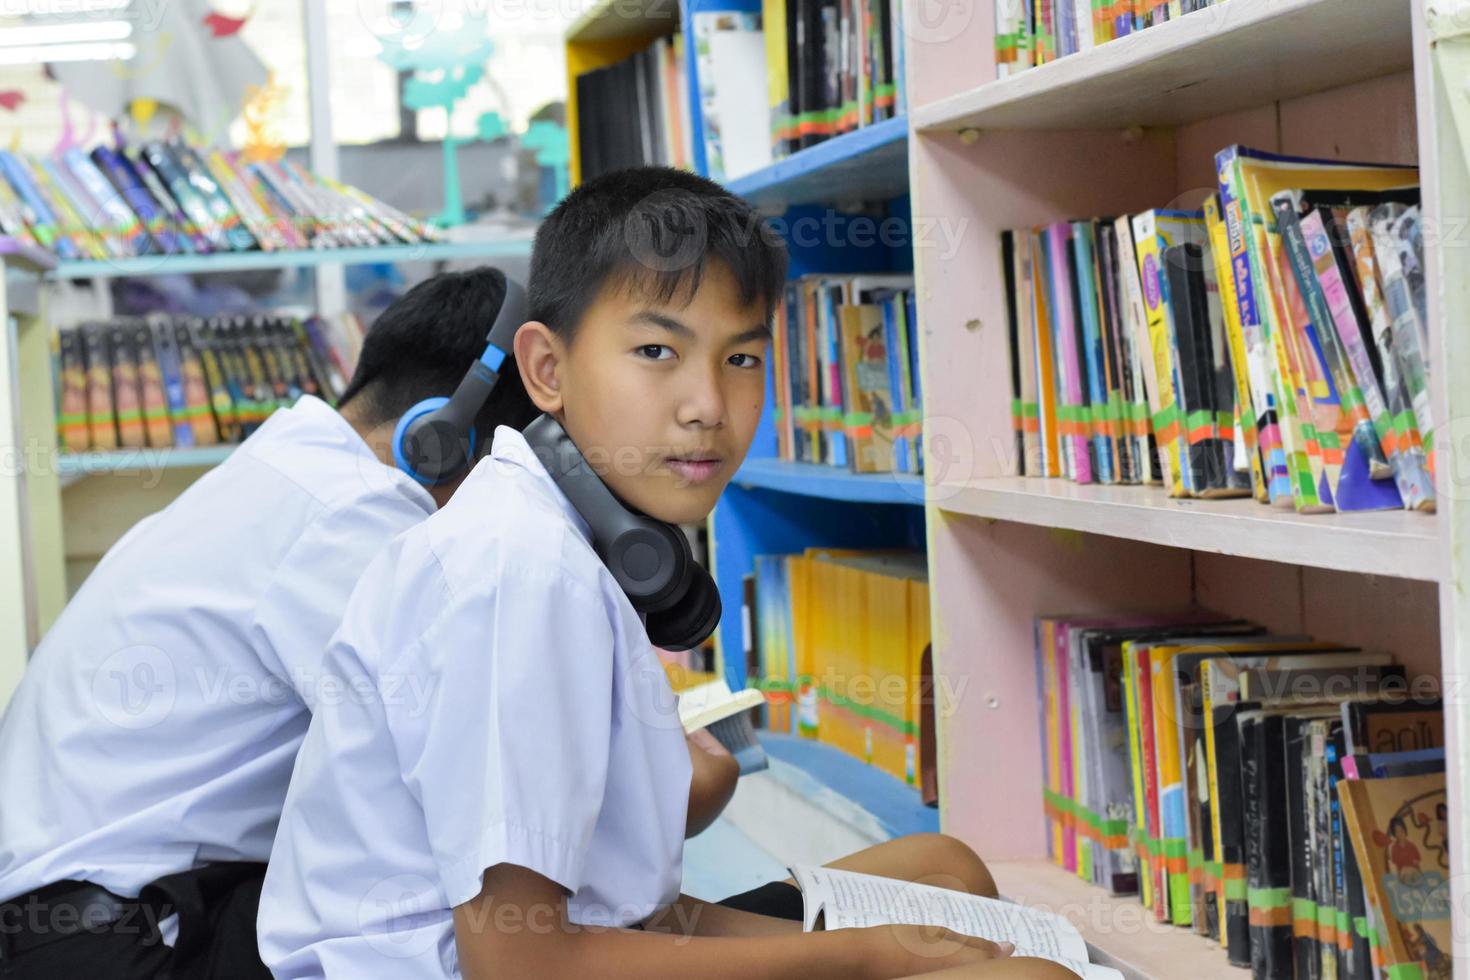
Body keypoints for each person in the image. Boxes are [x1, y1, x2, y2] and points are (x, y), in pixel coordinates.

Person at [257, 167, 1077, 980]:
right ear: (547, 369)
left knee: (943, 870)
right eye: (656, 350)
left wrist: (871, 949)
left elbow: (631, 911)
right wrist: (862, 956)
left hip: (588, 940)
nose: (708, 406)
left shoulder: (572, 527)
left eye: (743, 359)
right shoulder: (523, 575)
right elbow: (522, 965)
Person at [0, 268, 540, 979]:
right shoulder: (356, 511)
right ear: (440, 437)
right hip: (117, 944)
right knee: (453, 913)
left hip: (78, 922)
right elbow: (463, 759)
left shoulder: (288, 472)